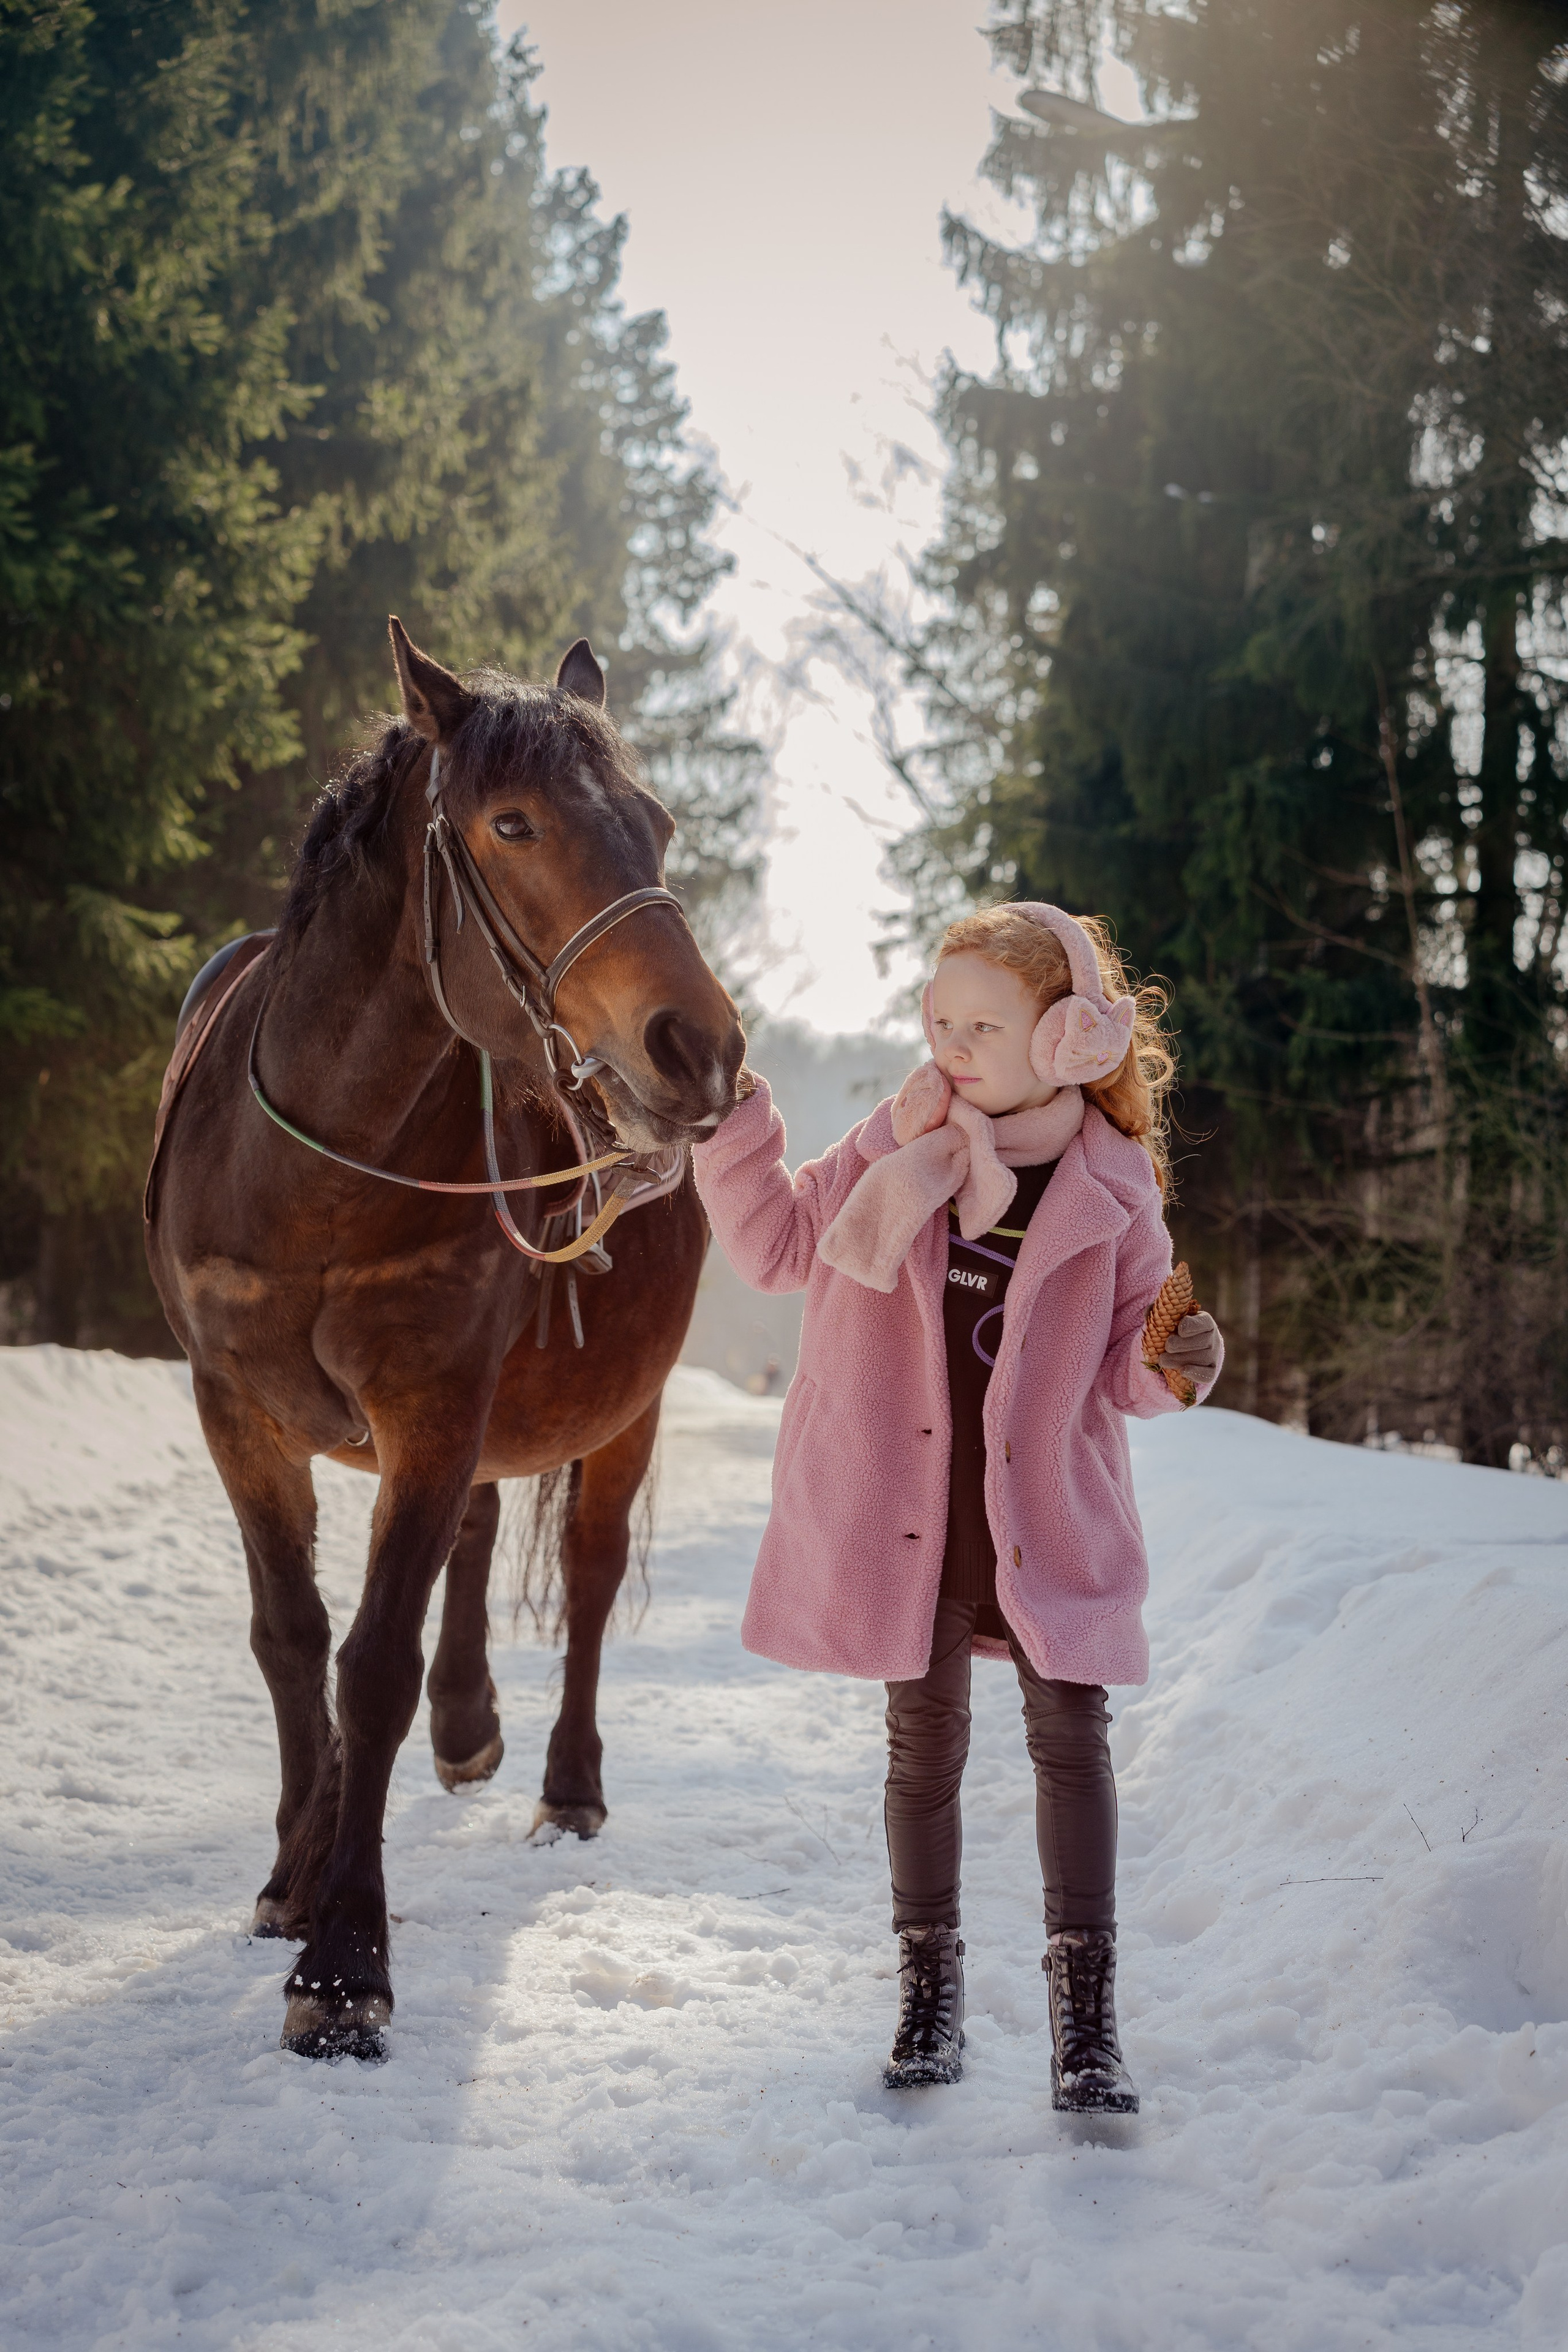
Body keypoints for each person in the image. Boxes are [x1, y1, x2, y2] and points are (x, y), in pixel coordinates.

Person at [691, 903, 1223, 2113]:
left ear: (1068, 1038)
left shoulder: (1112, 1186)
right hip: (909, 1517)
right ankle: (926, 1997)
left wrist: (1177, 1362)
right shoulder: (898, 1137)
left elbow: (1129, 1369)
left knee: (1068, 1745)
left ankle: (1084, 2022)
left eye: (985, 1021)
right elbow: (776, 1246)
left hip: (1043, 1512)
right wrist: (731, 1120)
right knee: (920, 1752)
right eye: (941, 1017)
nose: (954, 1040)